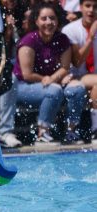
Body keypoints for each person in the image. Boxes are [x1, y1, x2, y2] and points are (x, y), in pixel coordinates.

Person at [11, 2, 87, 143]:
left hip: (53, 83)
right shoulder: (29, 41)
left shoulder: (62, 40)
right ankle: (43, 134)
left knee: (77, 88)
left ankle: (71, 132)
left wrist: (54, 78)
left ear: (57, 20)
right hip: (23, 87)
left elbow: (65, 67)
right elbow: (27, 74)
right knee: (54, 90)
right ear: (36, 21)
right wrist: (51, 80)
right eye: (44, 18)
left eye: (52, 18)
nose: (49, 22)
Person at [62, 0, 97, 140]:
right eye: (88, 6)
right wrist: (91, 37)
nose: (91, 10)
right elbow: (77, 62)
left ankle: (95, 130)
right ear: (81, 7)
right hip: (74, 78)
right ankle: (72, 131)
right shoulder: (70, 30)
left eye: (95, 7)